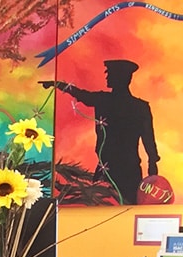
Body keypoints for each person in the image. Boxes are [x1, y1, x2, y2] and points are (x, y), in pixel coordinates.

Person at [40, 60, 159, 205]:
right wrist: (152, 163)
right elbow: (149, 140)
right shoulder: (140, 107)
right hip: (126, 168)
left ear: (121, 77)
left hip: (112, 167)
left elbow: (80, 94)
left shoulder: (104, 100)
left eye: (110, 74)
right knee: (123, 205)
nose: (107, 77)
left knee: (101, 205)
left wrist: (57, 84)